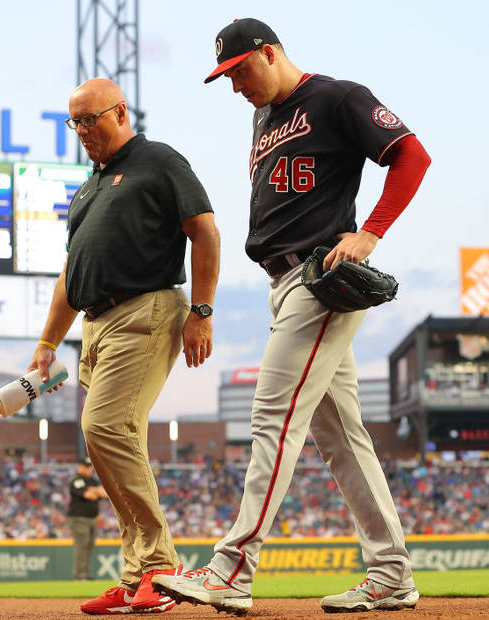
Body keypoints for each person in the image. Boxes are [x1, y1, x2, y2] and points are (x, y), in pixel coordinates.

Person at [153, 18, 431, 615]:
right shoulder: (265, 117)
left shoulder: (336, 96)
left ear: (269, 53)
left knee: (271, 418)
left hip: (321, 279)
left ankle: (232, 569)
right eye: (225, 78)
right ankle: (391, 574)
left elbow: (412, 156)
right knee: (340, 437)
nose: (234, 87)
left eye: (238, 71)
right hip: (281, 282)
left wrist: (371, 233)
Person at [28, 77, 220, 615]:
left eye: (90, 119)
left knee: (103, 427)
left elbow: (204, 232)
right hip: (95, 324)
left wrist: (201, 312)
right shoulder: (88, 188)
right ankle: (138, 574)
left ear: (120, 111)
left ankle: (160, 568)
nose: (83, 131)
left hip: (147, 309)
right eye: (75, 122)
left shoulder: (157, 160)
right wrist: (48, 342)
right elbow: (72, 274)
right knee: (112, 443)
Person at [68, 456, 107, 580]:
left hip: (92, 518)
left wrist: (93, 491)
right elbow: (88, 495)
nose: (89, 469)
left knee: (89, 546)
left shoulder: (93, 481)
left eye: (90, 467)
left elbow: (103, 493)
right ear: (80, 467)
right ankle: (79, 575)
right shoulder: (76, 480)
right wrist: (95, 491)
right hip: (79, 518)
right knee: (81, 545)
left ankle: (85, 573)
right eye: (87, 466)